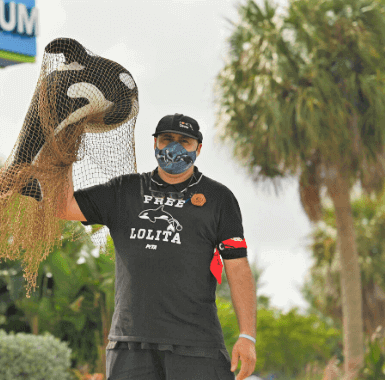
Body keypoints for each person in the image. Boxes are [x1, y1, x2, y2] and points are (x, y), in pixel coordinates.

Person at [57, 114, 257, 380]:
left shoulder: (219, 199)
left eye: (184, 142)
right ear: (155, 144)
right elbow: (64, 206)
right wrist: (65, 151)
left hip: (197, 345)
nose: (173, 148)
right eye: (166, 139)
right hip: (130, 344)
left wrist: (247, 336)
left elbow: (238, 267)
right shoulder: (124, 191)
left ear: (198, 148)